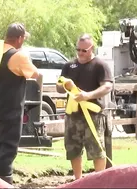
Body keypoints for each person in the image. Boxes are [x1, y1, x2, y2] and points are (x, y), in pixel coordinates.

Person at [0, 22, 40, 184]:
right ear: (20, 38)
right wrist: (24, 54)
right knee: (8, 148)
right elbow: (35, 74)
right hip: (10, 110)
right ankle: (4, 181)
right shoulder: (18, 56)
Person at [56, 33, 113, 180]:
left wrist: (88, 95)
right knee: (73, 149)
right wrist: (64, 85)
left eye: (84, 50)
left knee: (96, 149)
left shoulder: (100, 65)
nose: (80, 53)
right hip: (72, 115)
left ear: (91, 48)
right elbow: (59, 88)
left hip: (93, 115)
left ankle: (99, 181)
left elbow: (107, 86)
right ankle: (77, 180)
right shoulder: (69, 66)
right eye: (78, 50)